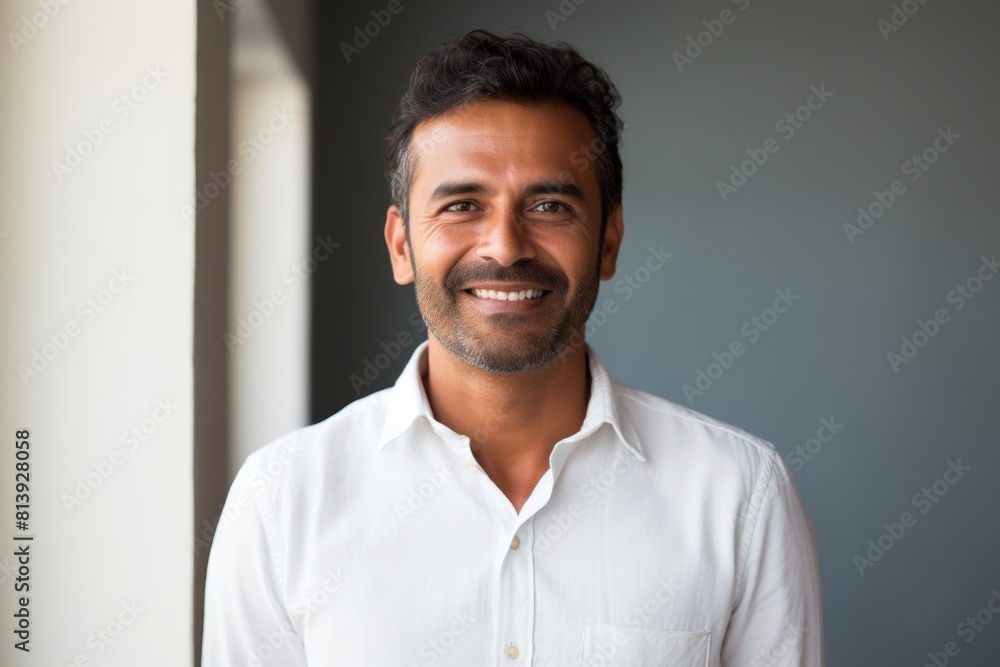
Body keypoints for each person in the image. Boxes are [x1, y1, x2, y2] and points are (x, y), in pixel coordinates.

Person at [202, 29, 824, 666]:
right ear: (400, 245)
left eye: (550, 205)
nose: (505, 246)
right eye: (463, 204)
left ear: (608, 241)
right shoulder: (281, 503)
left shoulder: (741, 495)